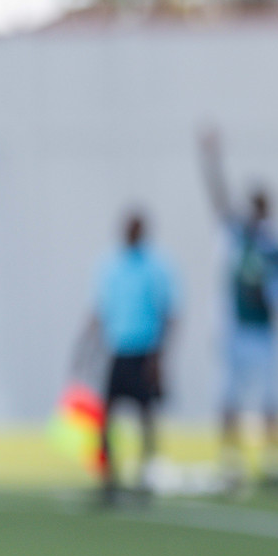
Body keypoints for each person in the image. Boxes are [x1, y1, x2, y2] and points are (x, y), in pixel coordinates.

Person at [199, 128, 278, 490]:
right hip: (234, 330)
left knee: (271, 399)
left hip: (264, 332)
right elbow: (219, 200)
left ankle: (274, 463)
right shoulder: (237, 236)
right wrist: (211, 159)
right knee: (229, 398)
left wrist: (267, 295)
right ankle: (231, 462)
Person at [87, 211, 177, 504]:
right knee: (106, 416)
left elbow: (169, 311)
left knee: (146, 417)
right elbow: (100, 310)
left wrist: (159, 356)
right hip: (119, 350)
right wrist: (87, 350)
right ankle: (109, 478)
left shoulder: (156, 267)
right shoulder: (112, 266)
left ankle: (145, 476)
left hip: (144, 351)